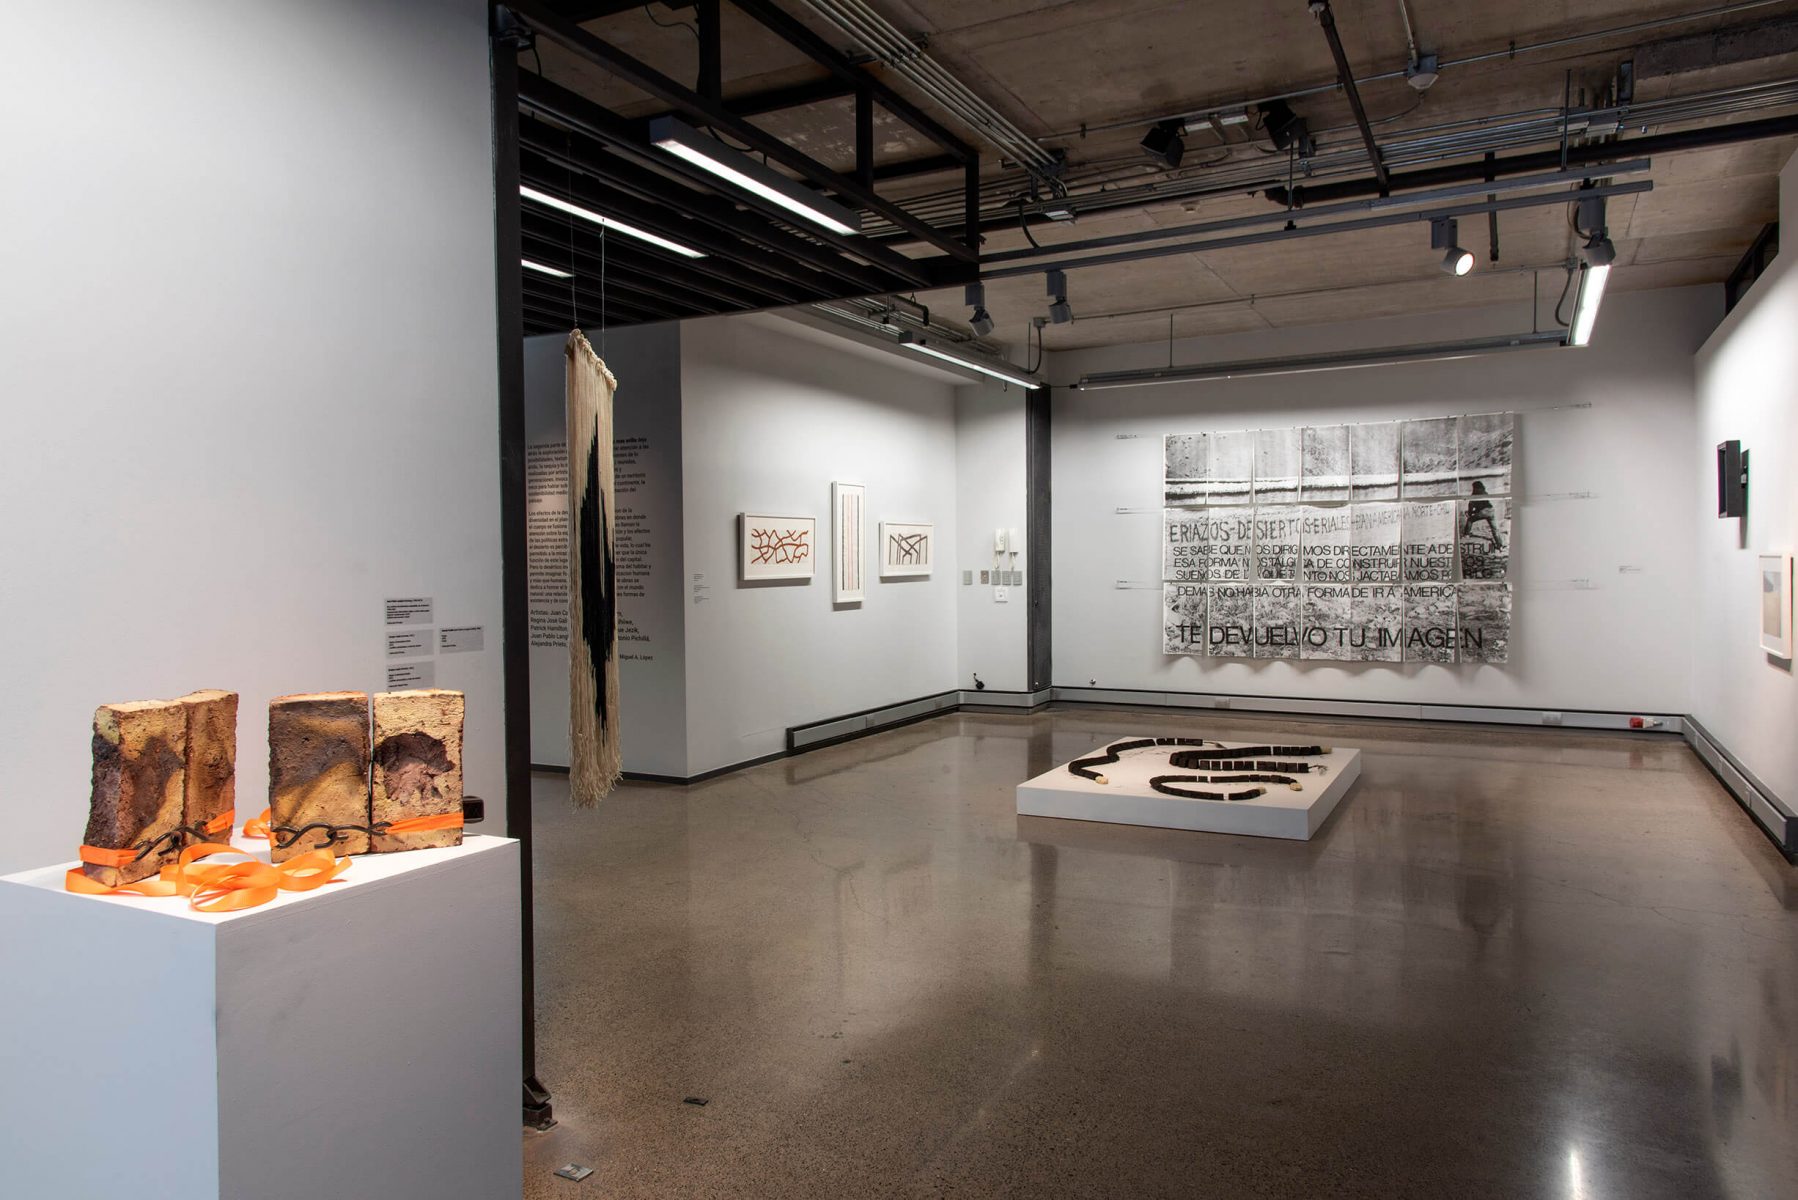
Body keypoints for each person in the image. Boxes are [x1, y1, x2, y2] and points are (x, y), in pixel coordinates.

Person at [1462, 481, 1504, 549]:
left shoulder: (1474, 495)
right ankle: (1500, 545)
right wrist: (1474, 512)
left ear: (1475, 487)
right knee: (1494, 529)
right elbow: (1482, 506)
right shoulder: (1485, 492)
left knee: (1470, 520)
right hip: (1491, 511)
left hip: (1483, 512)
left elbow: (1472, 506)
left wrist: (1470, 513)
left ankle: (1466, 535)